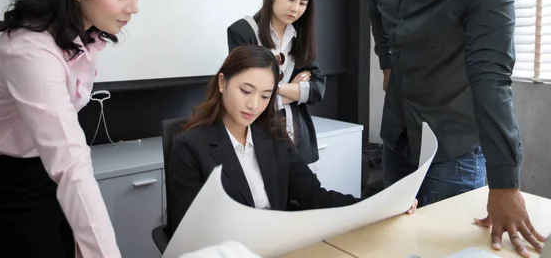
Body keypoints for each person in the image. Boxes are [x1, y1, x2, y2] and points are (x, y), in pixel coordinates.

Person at [367, 0, 547, 257]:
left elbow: (492, 84)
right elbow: (378, 21)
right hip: (398, 135)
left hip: (455, 150)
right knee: (397, 245)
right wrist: (387, 64)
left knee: (449, 251)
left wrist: (505, 184)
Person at [0, 0, 146, 258]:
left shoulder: (84, 37)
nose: (134, 7)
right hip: (15, 189)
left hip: (52, 178)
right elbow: (70, 161)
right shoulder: (30, 50)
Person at [167, 44, 417, 236]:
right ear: (222, 83)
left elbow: (315, 196)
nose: (254, 105)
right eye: (245, 91)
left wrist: (383, 205)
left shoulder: (273, 136)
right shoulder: (190, 146)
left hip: (279, 246)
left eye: (266, 96)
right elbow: (187, 232)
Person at [227, 0, 324, 166]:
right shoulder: (243, 32)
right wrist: (293, 92)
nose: (295, 8)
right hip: (256, 136)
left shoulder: (300, 37)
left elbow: (317, 90)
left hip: (297, 139)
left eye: (303, 3)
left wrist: (274, 91)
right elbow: (244, 94)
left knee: (303, 195)